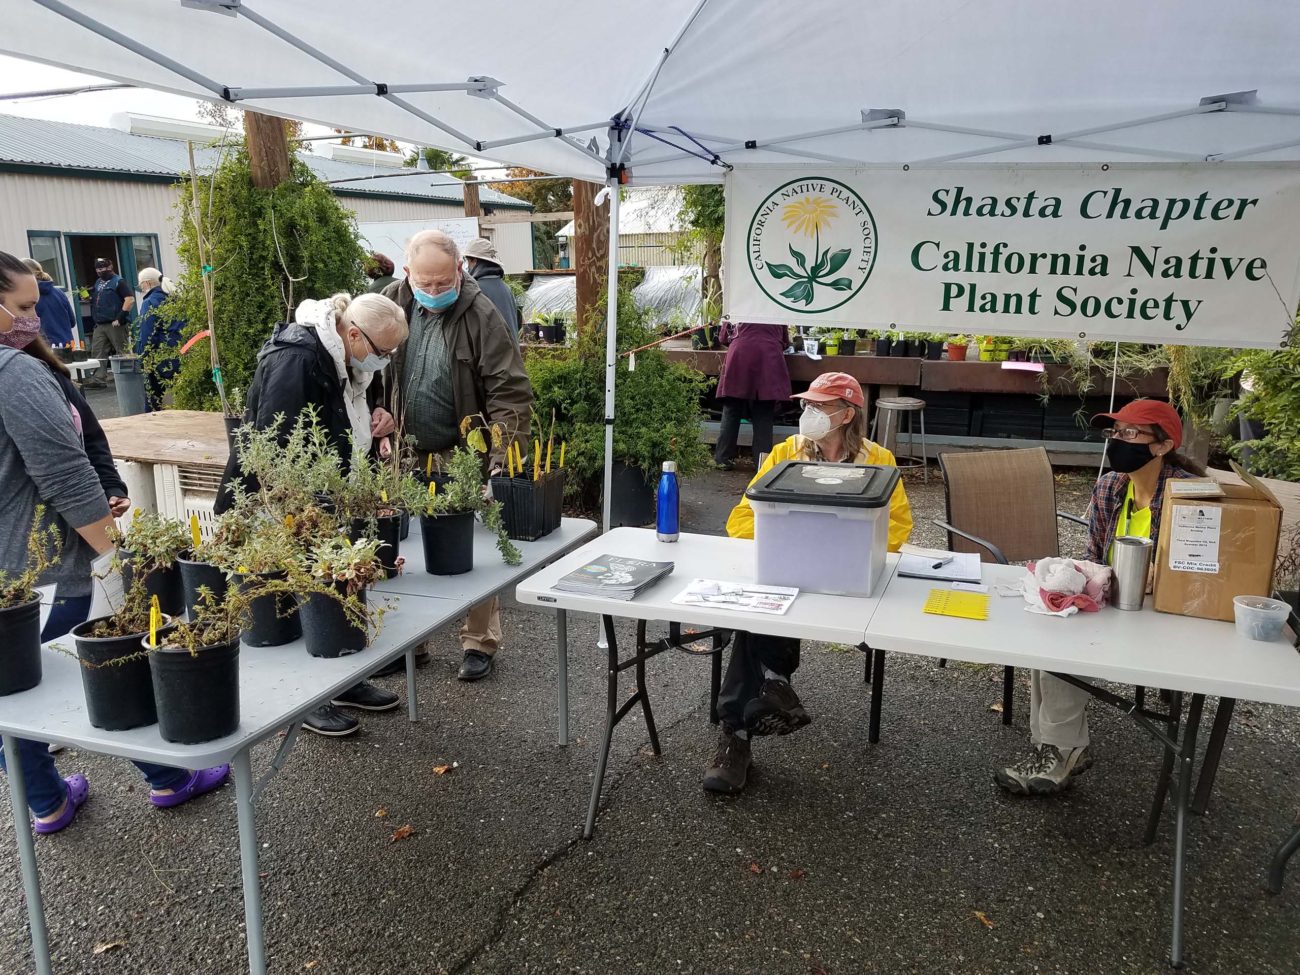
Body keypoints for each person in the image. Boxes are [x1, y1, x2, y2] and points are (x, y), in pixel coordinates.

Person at [0, 250, 228, 833]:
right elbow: (64, 475)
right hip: (43, 568)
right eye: (25, 306)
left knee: (15, 696)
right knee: (104, 668)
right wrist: (113, 557)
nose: (36, 318)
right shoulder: (15, 374)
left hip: (12, 573)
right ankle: (167, 777)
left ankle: (47, 803)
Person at [704, 372, 913, 794]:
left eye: (820, 406)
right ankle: (753, 712)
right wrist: (786, 541)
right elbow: (743, 518)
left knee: (759, 616)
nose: (809, 414)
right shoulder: (785, 453)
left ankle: (756, 710)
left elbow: (898, 528)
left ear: (847, 414)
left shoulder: (879, 461)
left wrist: (841, 546)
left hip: (849, 578)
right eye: (807, 405)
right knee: (758, 611)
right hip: (790, 572)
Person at [217, 291, 408, 737]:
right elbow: (274, 445)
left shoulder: (345, 357)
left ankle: (344, 681)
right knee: (300, 595)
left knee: (334, 591)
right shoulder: (297, 360)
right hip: (292, 502)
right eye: (383, 353)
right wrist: (303, 512)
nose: (384, 361)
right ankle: (306, 700)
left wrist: (376, 415)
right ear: (354, 334)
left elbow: (348, 411)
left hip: (329, 494)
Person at [995, 399, 1205, 796]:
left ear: (1162, 445)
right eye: (1114, 433)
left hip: (1164, 619)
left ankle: (1059, 749)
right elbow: (1093, 557)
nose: (1116, 442)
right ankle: (1057, 747)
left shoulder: (1191, 496)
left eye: (1130, 433)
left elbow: (1197, 574)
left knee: (1063, 645)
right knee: (1051, 632)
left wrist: (1161, 578)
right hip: (1112, 605)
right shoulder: (1111, 486)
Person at [376, 229, 532, 682]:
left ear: (460, 270)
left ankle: (478, 641)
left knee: (472, 548)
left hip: (460, 450)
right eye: (426, 283)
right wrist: (376, 413)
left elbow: (510, 388)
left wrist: (501, 457)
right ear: (408, 274)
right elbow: (365, 368)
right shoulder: (391, 301)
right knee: (398, 545)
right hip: (401, 448)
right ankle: (411, 640)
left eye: (444, 283)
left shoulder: (480, 313)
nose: (435, 292)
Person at [713, 322, 791, 470]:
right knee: (763, 412)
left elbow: (723, 338)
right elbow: (785, 341)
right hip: (769, 356)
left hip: (740, 355)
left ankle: (722, 459)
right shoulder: (777, 307)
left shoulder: (739, 303)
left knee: (732, 408)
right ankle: (762, 463)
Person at [134, 267, 185, 411]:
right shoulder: (174, 298)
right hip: (180, 353)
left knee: (153, 399)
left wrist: (142, 358)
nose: (141, 288)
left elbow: (148, 335)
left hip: (160, 358)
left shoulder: (149, 302)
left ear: (148, 283)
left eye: (141, 284)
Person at [463, 237, 521, 345]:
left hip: (493, 358)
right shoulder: (506, 288)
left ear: (474, 261)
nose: (467, 267)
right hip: (512, 356)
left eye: (468, 261)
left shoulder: (475, 290)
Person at [88, 257, 133, 383]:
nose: (100, 271)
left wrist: (120, 317)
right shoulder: (98, 282)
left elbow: (129, 299)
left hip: (115, 323)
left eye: (102, 268)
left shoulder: (119, 281)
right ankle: (98, 379)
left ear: (110, 267)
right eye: (98, 268)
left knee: (122, 350)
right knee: (98, 351)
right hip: (100, 323)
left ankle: (127, 377)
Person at [22, 258, 78, 351]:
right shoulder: (59, 292)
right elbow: (72, 322)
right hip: (68, 347)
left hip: (46, 350)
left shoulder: (28, 296)